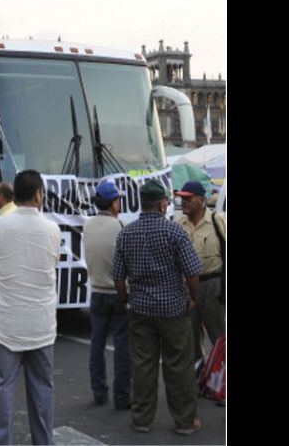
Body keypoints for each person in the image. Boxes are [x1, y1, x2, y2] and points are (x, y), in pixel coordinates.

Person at [112, 179, 202, 436]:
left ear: (143, 204)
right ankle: (185, 421)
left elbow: (118, 277)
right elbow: (192, 272)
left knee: (142, 365)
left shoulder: (126, 233)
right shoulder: (175, 232)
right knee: (178, 365)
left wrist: (125, 298)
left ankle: (141, 419)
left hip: (140, 310)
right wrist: (194, 297)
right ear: (163, 205)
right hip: (173, 310)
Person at [0, 170, 61, 445]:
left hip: (6, 321)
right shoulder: (52, 229)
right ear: (39, 194)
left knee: (3, 387)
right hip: (40, 323)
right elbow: (53, 262)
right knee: (42, 389)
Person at [83, 181, 131, 410]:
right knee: (122, 346)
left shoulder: (87, 225)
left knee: (97, 345)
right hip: (118, 293)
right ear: (113, 203)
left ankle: (98, 393)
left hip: (97, 292)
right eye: (118, 199)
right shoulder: (119, 225)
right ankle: (122, 397)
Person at [175, 180, 226, 362]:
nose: (183, 203)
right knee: (191, 338)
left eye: (188, 199)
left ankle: (221, 381)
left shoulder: (218, 221)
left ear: (201, 200)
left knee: (219, 337)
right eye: (182, 199)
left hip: (213, 286)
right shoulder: (178, 224)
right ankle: (198, 380)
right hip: (188, 287)